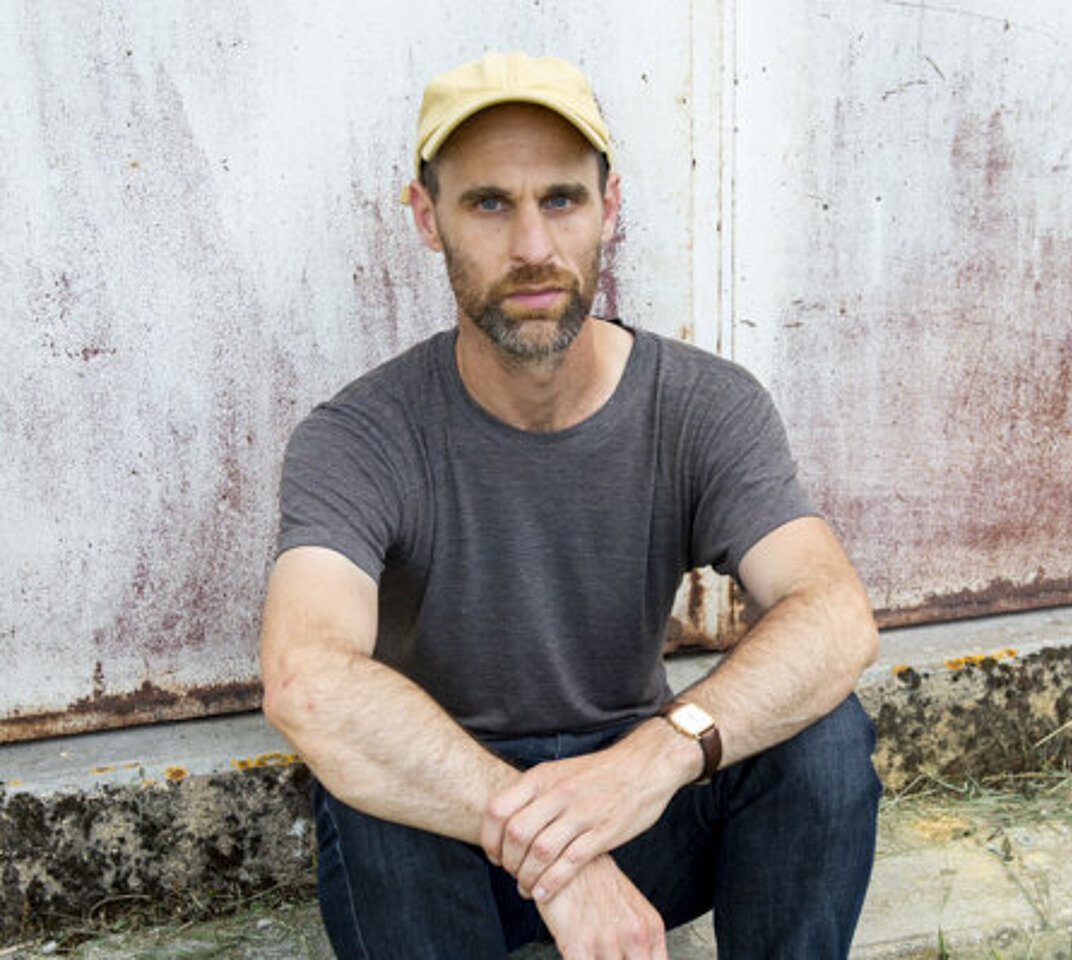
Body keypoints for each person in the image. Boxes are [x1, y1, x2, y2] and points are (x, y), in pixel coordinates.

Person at [259, 51, 881, 960]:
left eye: (561, 199)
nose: (533, 249)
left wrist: (655, 760)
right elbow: (305, 678)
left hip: (637, 813)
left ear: (609, 208)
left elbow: (835, 616)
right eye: (487, 204)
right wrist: (557, 854)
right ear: (426, 217)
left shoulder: (703, 405)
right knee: (366, 780)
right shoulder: (359, 436)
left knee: (821, 731)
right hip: (448, 837)